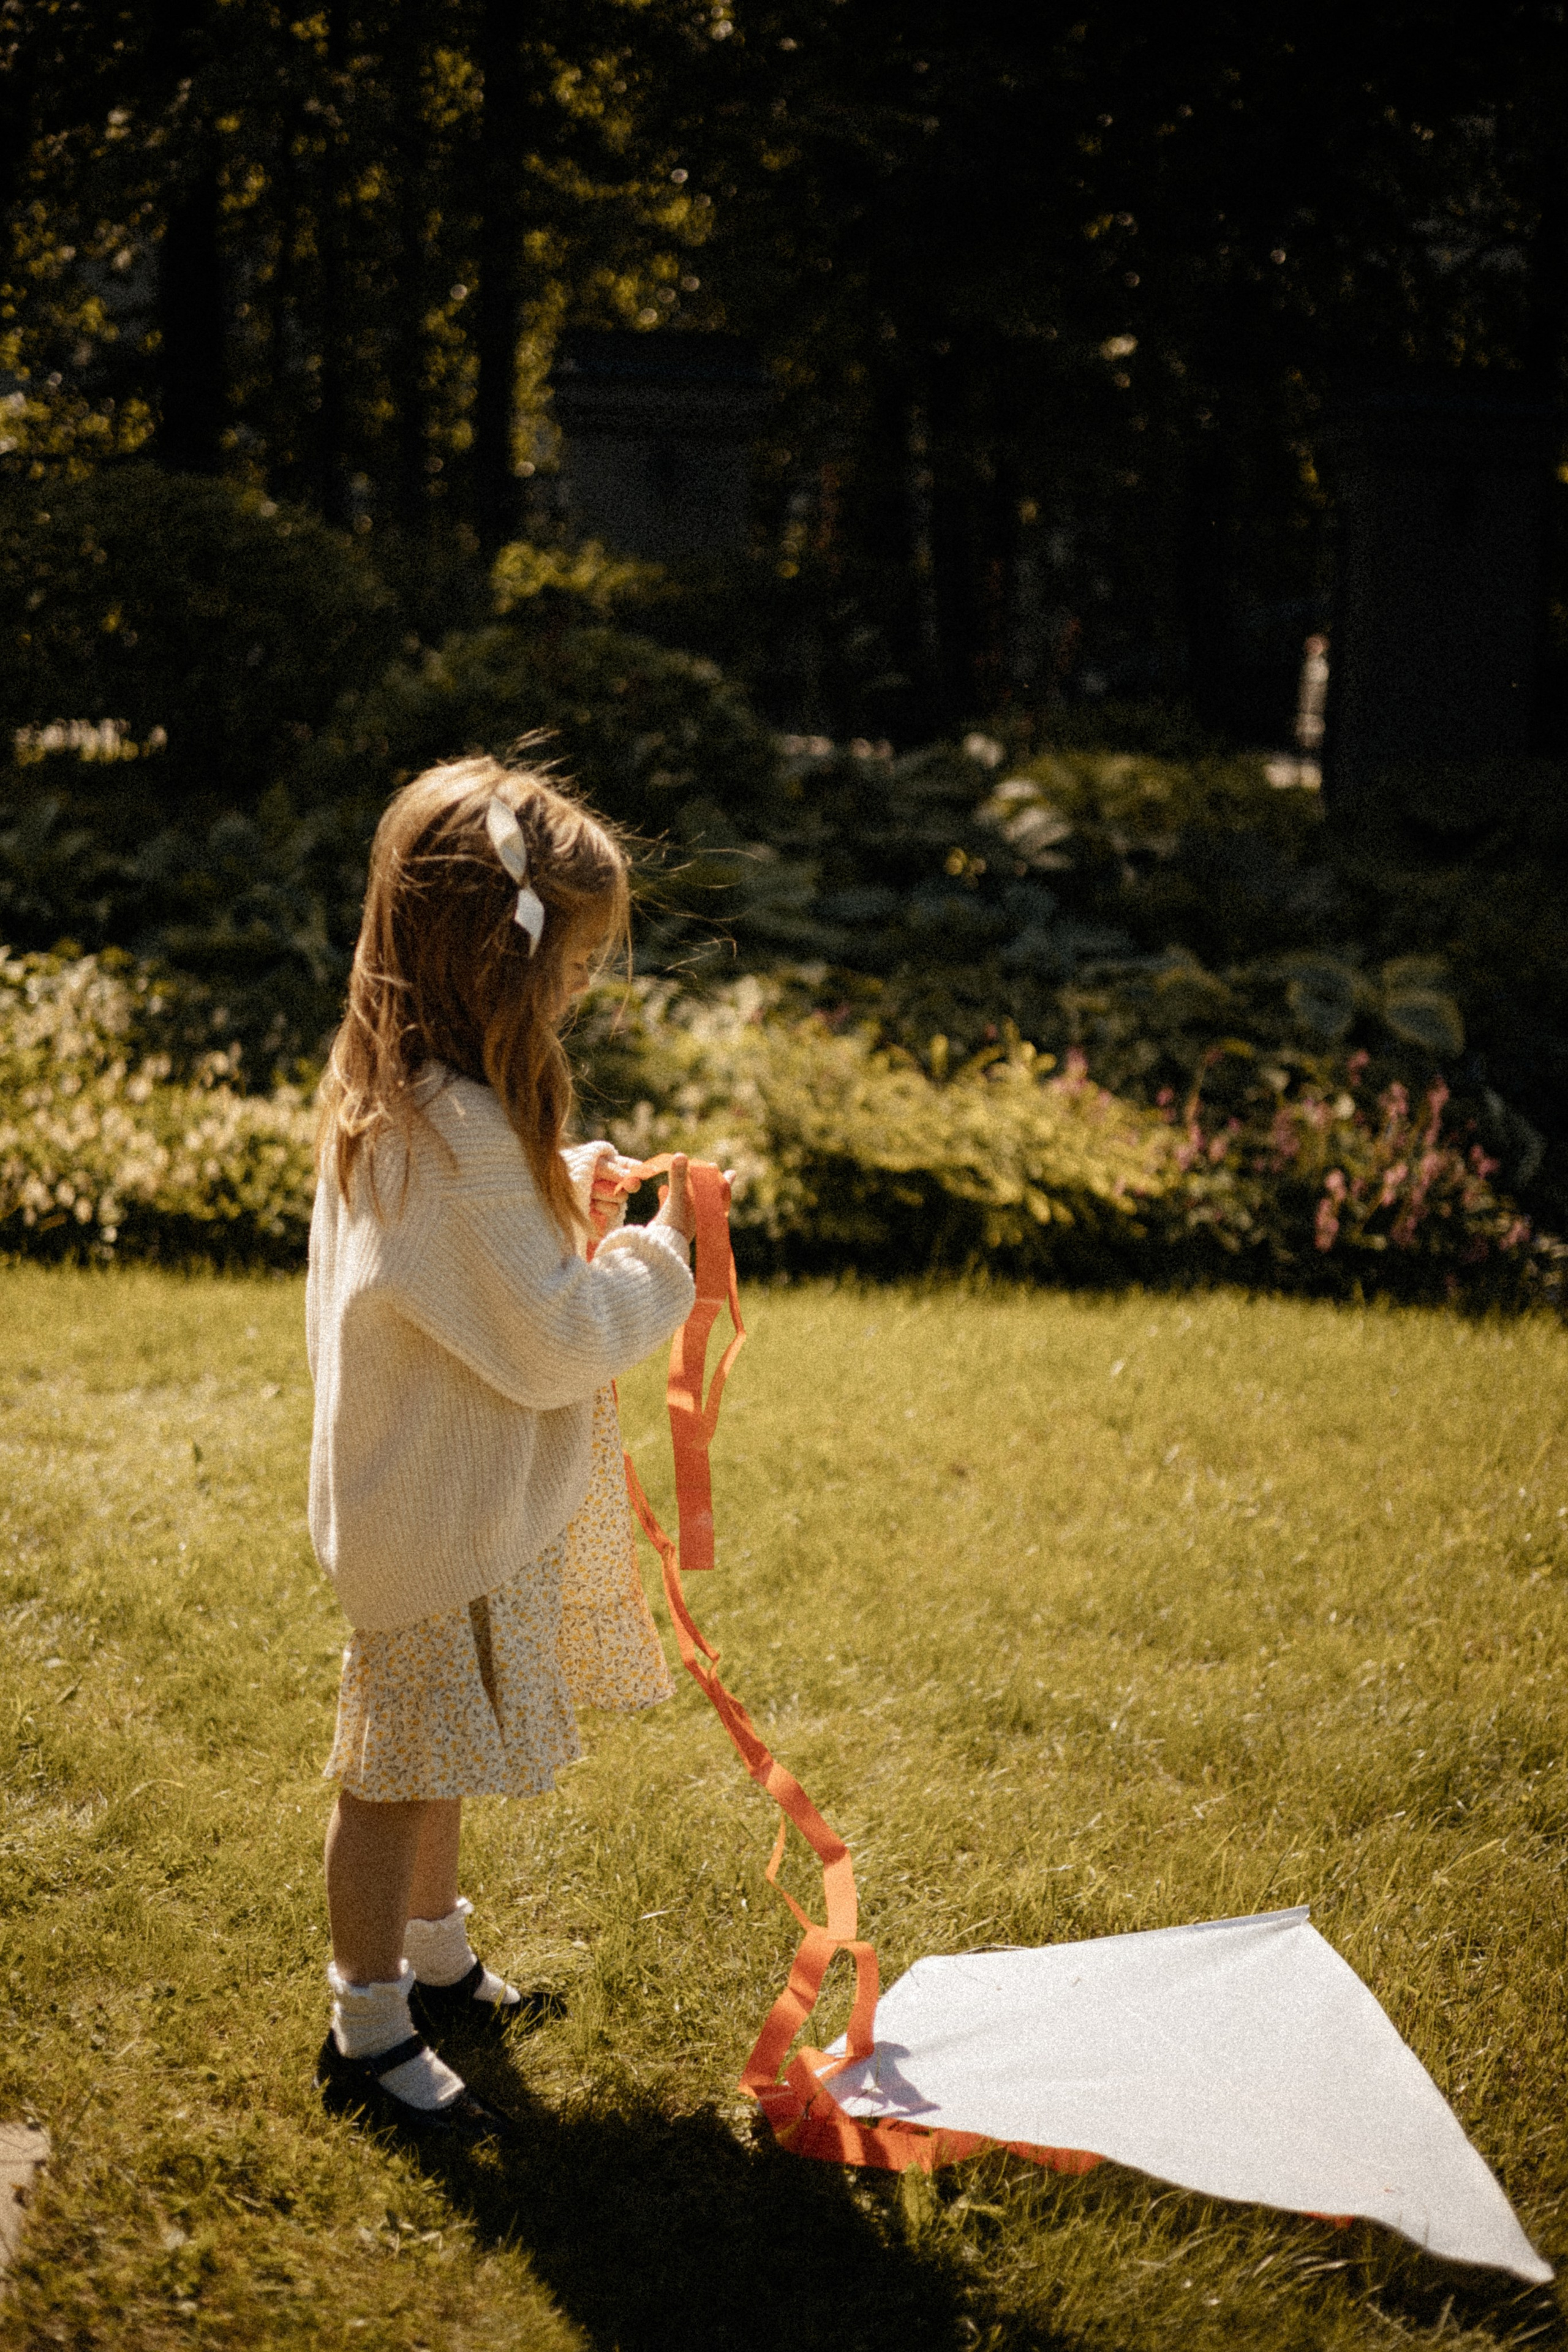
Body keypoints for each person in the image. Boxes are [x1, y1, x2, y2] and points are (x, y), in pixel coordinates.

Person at [307, 752, 701, 2135]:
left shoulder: (407, 1103)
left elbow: (474, 1265)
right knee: (397, 1770)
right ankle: (366, 2027)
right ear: (501, 961)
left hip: (428, 1496)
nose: (580, 990)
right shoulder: (460, 1135)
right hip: (434, 1515)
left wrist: (564, 1189)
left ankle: (436, 1956)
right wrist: (661, 1260)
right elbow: (547, 1336)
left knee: (442, 1744)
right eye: (573, 967)